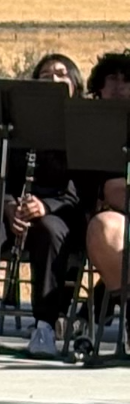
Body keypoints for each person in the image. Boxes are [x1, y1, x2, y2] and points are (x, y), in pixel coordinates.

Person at [0, 50, 82, 356]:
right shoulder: (12, 127)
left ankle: (45, 327)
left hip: (58, 211)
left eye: (61, 74)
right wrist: (9, 206)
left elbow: (79, 192)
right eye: (45, 75)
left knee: (50, 232)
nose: (53, 79)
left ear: (75, 83)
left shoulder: (79, 126)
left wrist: (45, 206)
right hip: (11, 208)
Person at [81, 50, 130, 306]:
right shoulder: (85, 126)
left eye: (126, 79)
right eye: (112, 78)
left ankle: (96, 310)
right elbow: (112, 190)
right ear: (99, 85)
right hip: (101, 217)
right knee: (108, 230)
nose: (119, 86)